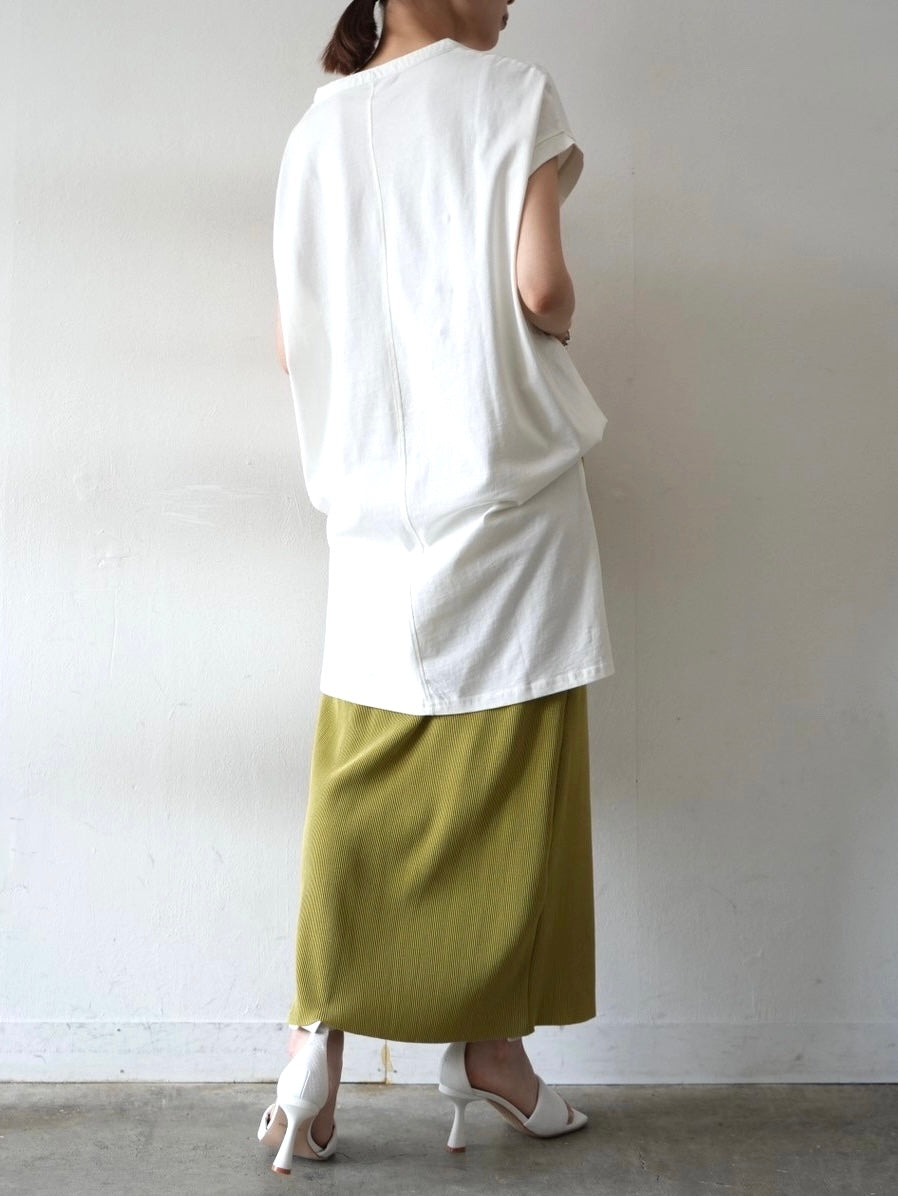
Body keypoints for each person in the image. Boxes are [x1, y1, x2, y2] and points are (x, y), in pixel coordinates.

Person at [258, 0, 615, 1174]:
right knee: (513, 768)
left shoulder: (318, 130)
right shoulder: (512, 93)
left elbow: (292, 345)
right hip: (509, 499)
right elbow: (542, 289)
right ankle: (491, 1051)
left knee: (364, 761)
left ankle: (314, 1042)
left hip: (374, 516)